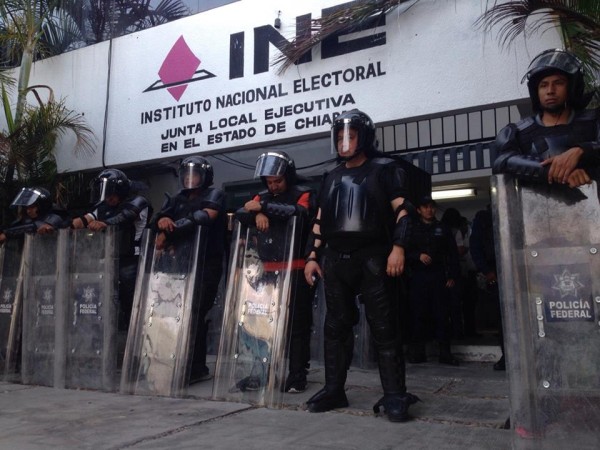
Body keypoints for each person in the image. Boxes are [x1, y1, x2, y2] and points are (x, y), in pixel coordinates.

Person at [303, 108, 419, 422]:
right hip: (336, 260)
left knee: (384, 327)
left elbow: (405, 211)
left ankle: (395, 394)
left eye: (350, 135)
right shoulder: (331, 176)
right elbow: (319, 221)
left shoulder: (385, 169)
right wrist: (312, 257)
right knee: (335, 326)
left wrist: (398, 248)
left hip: (374, 257)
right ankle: (333, 388)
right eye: (339, 135)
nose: (343, 142)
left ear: (363, 137)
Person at [237, 151, 316, 393]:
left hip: (295, 268)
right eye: (269, 182)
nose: (273, 186)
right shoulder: (261, 196)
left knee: (297, 326)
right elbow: (242, 213)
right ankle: (260, 373)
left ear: (288, 177)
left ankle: (297, 375)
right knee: (261, 325)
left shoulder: (303, 193)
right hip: (265, 270)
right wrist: (258, 211)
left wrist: (262, 208)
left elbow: (299, 213)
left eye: (278, 181)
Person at [151, 156, 225, 383]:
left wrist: (169, 231)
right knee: (178, 313)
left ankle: (194, 366)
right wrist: (162, 219)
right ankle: (177, 363)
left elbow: (204, 217)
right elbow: (156, 218)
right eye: (186, 174)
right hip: (180, 263)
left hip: (206, 264)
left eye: (195, 174)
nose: (190, 179)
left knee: (195, 314)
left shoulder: (214, 194)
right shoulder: (177, 199)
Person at [492, 48, 599, 187]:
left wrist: (582, 151)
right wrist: (554, 171)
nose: (550, 91)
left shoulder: (594, 120)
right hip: (538, 207)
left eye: (558, 83)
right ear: (536, 92)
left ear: (572, 87)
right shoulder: (517, 132)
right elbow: (502, 162)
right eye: (543, 85)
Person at [72, 168, 152, 331]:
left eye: (111, 193)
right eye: (105, 193)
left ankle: (132, 337)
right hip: (108, 260)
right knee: (101, 299)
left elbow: (126, 216)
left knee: (130, 302)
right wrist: (68, 225)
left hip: (131, 259)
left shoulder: (138, 202)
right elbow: (85, 219)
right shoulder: (103, 206)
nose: (108, 198)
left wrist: (105, 223)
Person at [406, 196, 460, 366]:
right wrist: (418, 256)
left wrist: (452, 275)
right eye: (425, 207)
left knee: (442, 315)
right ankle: (418, 352)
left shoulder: (443, 229)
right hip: (418, 276)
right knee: (418, 314)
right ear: (419, 210)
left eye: (432, 207)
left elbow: (452, 254)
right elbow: (403, 251)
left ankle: (445, 354)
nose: (429, 210)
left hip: (439, 276)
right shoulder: (412, 228)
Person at [469, 205, 505, 371]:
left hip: (513, 267)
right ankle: (506, 356)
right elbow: (475, 247)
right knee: (502, 317)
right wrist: (487, 271)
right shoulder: (484, 219)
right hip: (495, 271)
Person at [0, 187, 68, 244]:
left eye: (32, 207)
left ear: (42, 206)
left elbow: (33, 227)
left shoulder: (54, 218)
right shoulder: (28, 219)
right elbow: (17, 226)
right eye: (27, 207)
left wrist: (6, 234)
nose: (28, 211)